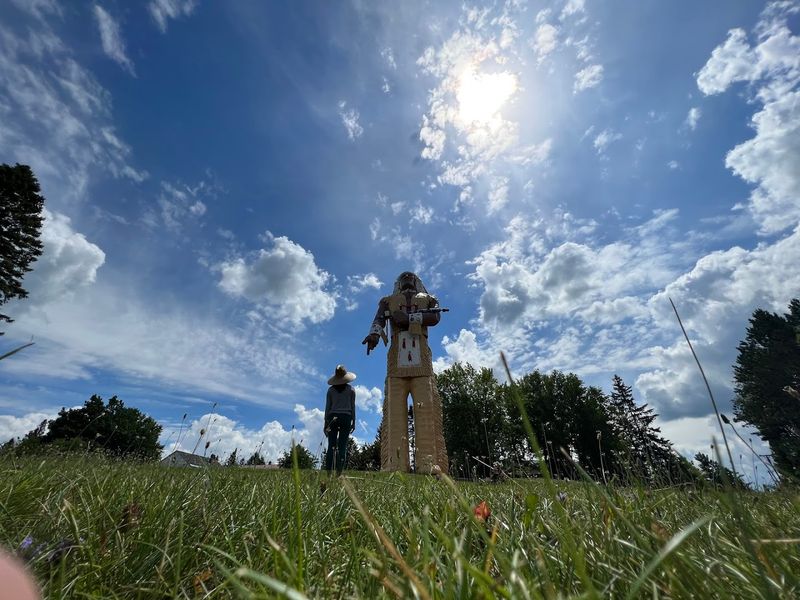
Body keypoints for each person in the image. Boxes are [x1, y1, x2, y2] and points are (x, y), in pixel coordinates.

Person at [361, 271, 448, 473]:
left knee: (426, 411)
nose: (407, 277)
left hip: (421, 362)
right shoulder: (388, 301)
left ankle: (428, 463)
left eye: (411, 277)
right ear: (398, 283)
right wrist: (374, 335)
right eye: (404, 277)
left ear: (417, 281)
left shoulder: (429, 299)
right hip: (396, 363)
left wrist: (408, 318)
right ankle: (395, 463)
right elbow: (379, 319)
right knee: (394, 412)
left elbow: (435, 316)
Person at [324, 364, 356, 476]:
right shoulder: (351, 390)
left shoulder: (330, 390)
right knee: (342, 446)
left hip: (332, 417)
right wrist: (354, 421)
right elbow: (353, 407)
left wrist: (325, 423)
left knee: (331, 446)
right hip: (346, 417)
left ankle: (328, 473)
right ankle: (339, 474)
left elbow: (327, 408)